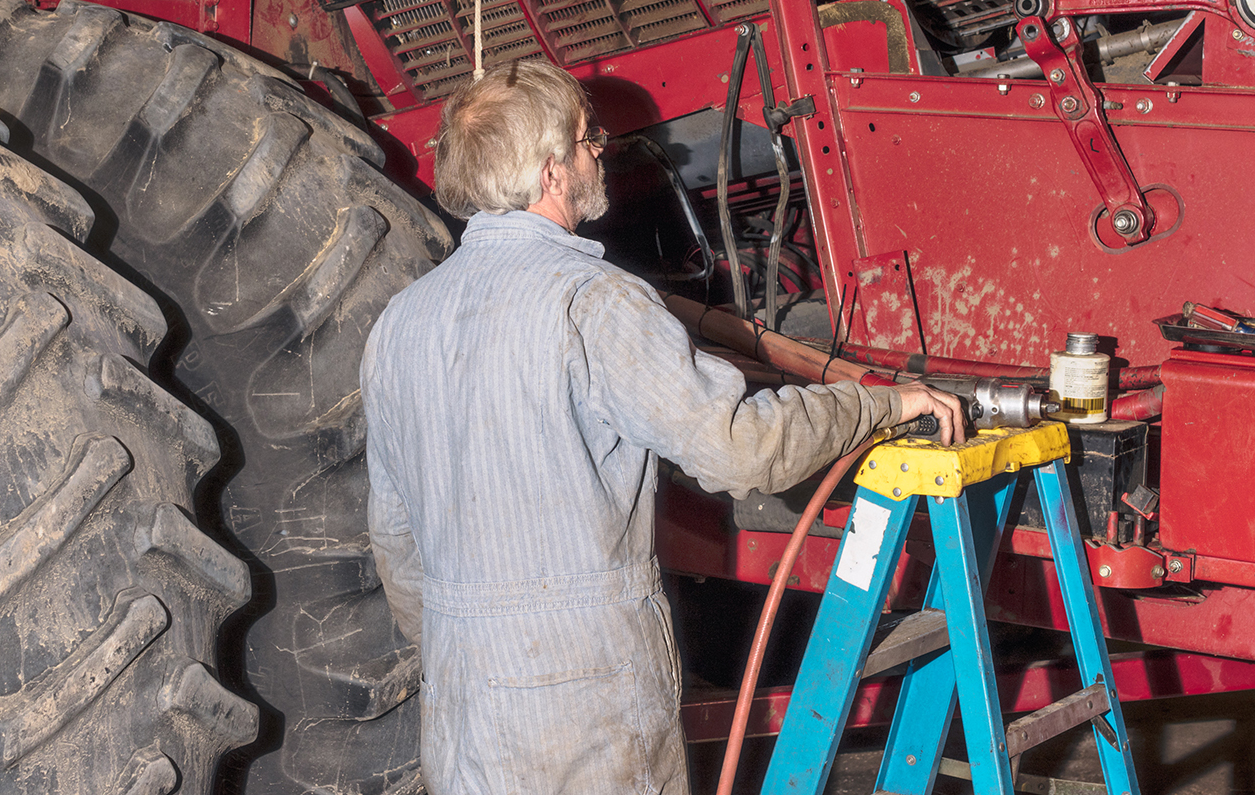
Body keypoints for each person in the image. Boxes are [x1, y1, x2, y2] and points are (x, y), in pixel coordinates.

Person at [360, 59, 964, 795]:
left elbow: (394, 534)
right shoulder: (593, 301)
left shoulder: (399, 322)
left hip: (460, 699)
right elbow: (742, 449)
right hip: (581, 700)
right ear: (552, 171)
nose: (600, 151)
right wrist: (881, 403)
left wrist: (466, 649)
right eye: (588, 140)